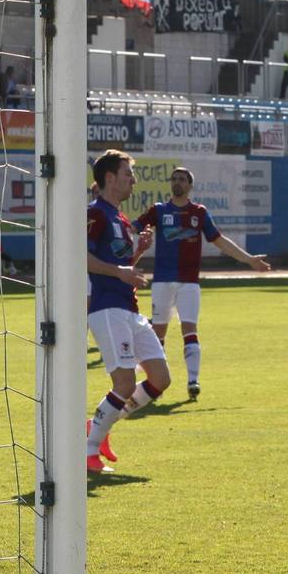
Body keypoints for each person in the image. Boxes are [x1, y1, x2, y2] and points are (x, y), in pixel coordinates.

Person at [133, 166, 270, 401]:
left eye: (182, 179)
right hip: (162, 281)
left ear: (190, 185)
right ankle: (155, 381)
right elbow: (131, 228)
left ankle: (193, 381)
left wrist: (249, 260)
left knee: (190, 329)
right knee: (158, 333)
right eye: (174, 178)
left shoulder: (199, 212)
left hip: (189, 283)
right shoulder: (158, 211)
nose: (177, 182)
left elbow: (219, 240)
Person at [85, 149, 167, 474]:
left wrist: (138, 253)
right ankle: (88, 450)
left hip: (129, 307)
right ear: (109, 178)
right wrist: (120, 272)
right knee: (124, 383)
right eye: (128, 174)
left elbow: (121, 266)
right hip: (107, 307)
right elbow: (82, 257)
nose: (133, 180)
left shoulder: (119, 218)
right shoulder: (97, 214)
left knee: (160, 378)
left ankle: (98, 424)